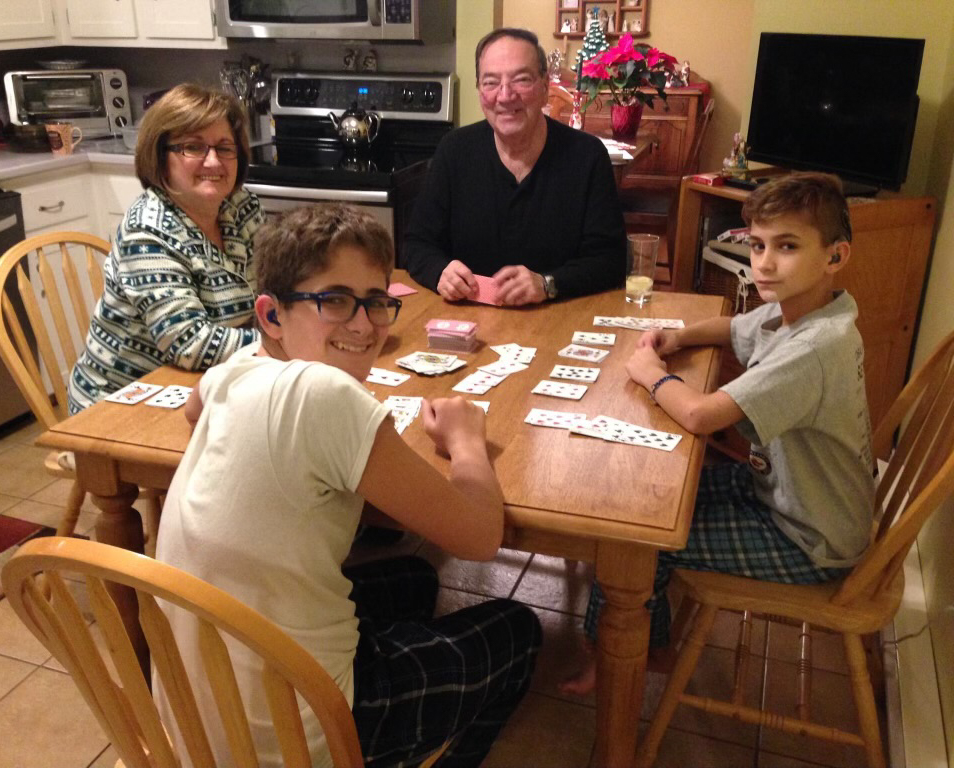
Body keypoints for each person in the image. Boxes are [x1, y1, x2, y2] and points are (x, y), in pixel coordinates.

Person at [154, 203, 542, 767]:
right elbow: (482, 537)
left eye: (377, 301)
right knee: (518, 628)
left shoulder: (233, 368)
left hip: (197, 720)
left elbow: (195, 412)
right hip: (295, 735)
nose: (364, 324)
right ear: (272, 314)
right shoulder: (324, 395)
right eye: (333, 300)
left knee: (413, 576)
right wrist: (466, 442)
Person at [562, 172, 875, 694]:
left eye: (787, 246)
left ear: (835, 256)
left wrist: (649, 373)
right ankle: (654, 642)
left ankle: (612, 656)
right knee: (646, 506)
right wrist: (677, 335)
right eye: (757, 244)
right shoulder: (805, 309)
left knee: (637, 539)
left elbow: (701, 416)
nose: (765, 262)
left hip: (807, 538)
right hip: (791, 497)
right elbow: (731, 326)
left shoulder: (816, 348)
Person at [68, 83, 264, 413]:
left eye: (224, 147)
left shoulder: (242, 208)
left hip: (213, 384)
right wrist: (290, 341)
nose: (213, 161)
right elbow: (190, 345)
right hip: (124, 404)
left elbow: (281, 283)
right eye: (193, 147)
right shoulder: (148, 231)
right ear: (161, 158)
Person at [404, 27, 627, 306]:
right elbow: (417, 244)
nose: (505, 95)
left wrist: (548, 284)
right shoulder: (454, 151)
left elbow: (610, 261)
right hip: (468, 324)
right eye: (490, 82)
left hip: (558, 320)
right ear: (479, 91)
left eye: (521, 80)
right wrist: (439, 272)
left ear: (545, 88)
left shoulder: (587, 156)